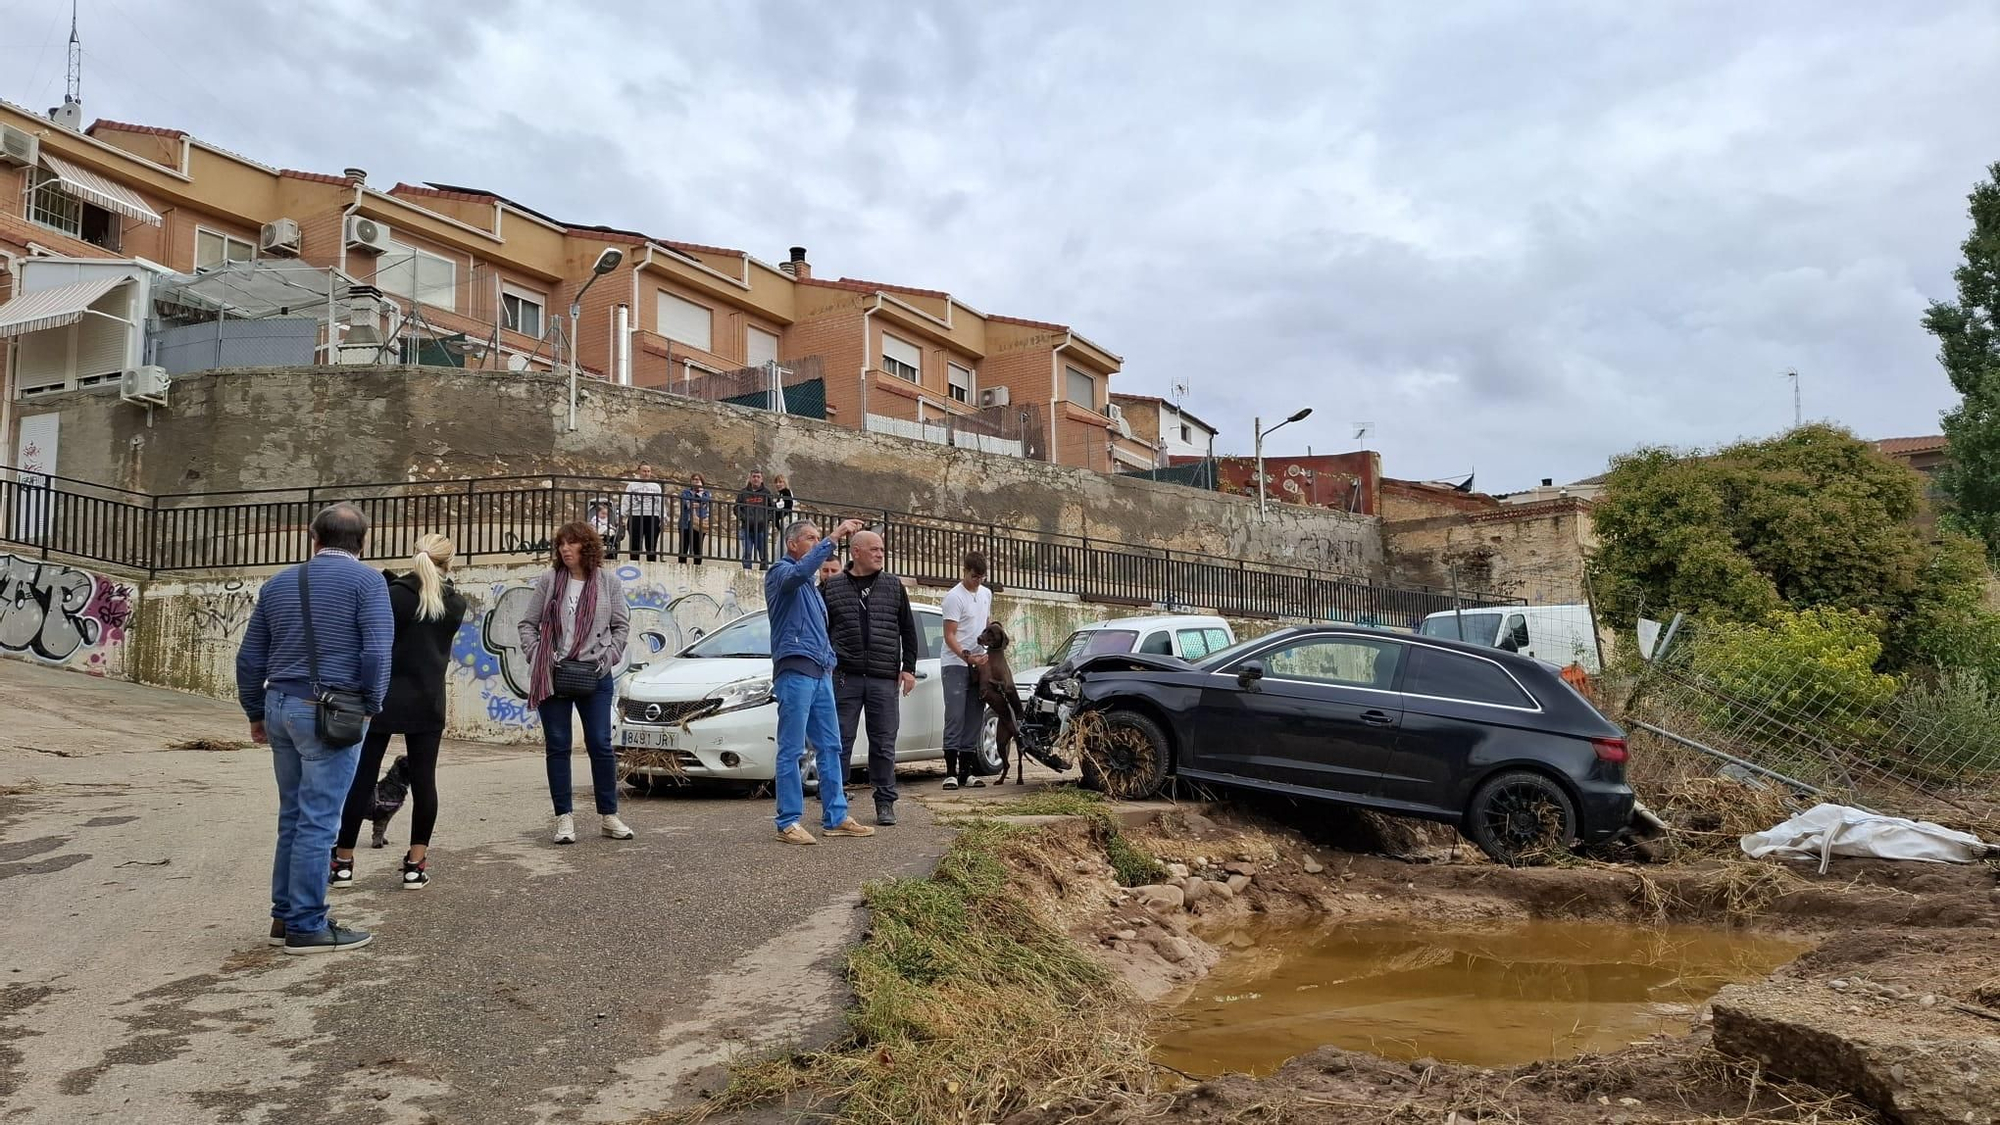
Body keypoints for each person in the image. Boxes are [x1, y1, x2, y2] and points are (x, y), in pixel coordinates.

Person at [236, 503, 392, 955]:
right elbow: (377, 653)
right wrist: (372, 705)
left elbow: (249, 658)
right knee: (320, 821)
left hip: (280, 702)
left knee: (293, 816)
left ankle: (285, 915)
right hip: (331, 710)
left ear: (313, 537)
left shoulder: (280, 583)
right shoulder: (368, 582)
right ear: (364, 541)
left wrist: (255, 711)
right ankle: (307, 925)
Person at [332, 534, 468, 891]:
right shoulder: (456, 604)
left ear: (415, 556)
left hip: (381, 697)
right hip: (428, 699)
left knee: (361, 778)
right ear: (449, 562)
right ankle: (415, 864)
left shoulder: (392, 596)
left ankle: (343, 861)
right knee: (425, 783)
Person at [517, 522, 633, 844]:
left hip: (594, 673)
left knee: (600, 744)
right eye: (561, 544)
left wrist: (608, 657)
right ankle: (564, 819)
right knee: (558, 746)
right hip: (553, 673)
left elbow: (621, 626)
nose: (565, 549)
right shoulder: (551, 580)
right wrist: (536, 653)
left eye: (572, 543)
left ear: (587, 546)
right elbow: (528, 623)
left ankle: (609, 816)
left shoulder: (608, 582)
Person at [767, 515, 877, 845]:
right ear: (792, 544)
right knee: (791, 749)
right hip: (796, 673)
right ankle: (787, 821)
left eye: (818, 538)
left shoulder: (813, 590)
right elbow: (800, 572)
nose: (818, 543)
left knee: (831, 746)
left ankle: (836, 816)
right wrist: (835, 535)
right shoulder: (780, 573)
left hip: (820, 674)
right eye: (811, 539)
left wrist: (829, 662)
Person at [822, 530, 919, 826]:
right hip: (845, 676)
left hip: (883, 677)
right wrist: (826, 666)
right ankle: (834, 804)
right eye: (874, 549)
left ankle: (885, 802)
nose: (880, 554)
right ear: (856, 552)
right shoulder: (832, 587)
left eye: (882, 549)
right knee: (838, 741)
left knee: (883, 742)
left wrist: (908, 668)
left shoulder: (892, 585)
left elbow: (907, 629)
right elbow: (822, 630)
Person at [939, 552, 993, 791]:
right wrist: (966, 656)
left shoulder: (986, 594)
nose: (978, 581)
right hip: (956, 662)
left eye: (982, 577)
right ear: (964, 571)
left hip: (979, 661)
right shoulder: (954, 597)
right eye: (974, 576)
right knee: (955, 715)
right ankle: (950, 772)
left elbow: (986, 624)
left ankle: (967, 771)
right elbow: (950, 634)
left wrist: (989, 650)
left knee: (975, 715)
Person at [624, 462, 665, 563]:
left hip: (652, 516)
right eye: (644, 471)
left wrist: (663, 516)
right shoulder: (632, 485)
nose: (646, 473)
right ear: (639, 471)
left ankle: (651, 565)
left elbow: (660, 502)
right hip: (636, 515)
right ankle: (633, 564)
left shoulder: (656, 486)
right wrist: (622, 514)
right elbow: (626, 500)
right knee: (635, 542)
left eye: (648, 471)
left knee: (651, 543)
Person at [735, 470, 776, 570]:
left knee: (763, 553)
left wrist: (766, 519)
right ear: (750, 478)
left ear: (761, 479)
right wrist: (744, 518)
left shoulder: (766, 493)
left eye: (758, 477)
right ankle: (746, 572)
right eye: (754, 476)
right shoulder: (743, 493)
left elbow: (772, 509)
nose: (756, 479)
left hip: (761, 528)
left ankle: (764, 572)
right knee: (747, 553)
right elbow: (736, 508)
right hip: (746, 528)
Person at [677, 473, 711, 565]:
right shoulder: (685, 492)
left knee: (698, 548)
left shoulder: (706, 493)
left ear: (702, 482)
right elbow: (686, 504)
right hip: (685, 523)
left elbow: (706, 501)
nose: (696, 481)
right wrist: (699, 504)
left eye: (698, 480)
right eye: (694, 479)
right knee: (683, 547)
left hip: (700, 523)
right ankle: (681, 567)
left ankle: (697, 568)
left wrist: (699, 494)